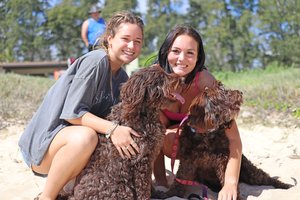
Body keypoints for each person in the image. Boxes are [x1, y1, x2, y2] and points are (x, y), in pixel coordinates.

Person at [18, 11, 144, 200]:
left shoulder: (122, 78)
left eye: (138, 41)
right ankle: (47, 197)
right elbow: (73, 114)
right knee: (87, 136)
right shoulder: (96, 61)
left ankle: (68, 190)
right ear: (110, 39)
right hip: (45, 147)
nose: (131, 46)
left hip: (71, 150)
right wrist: (113, 129)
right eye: (125, 38)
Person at [153, 24, 242, 200]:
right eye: (176, 51)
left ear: (198, 57)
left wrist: (230, 184)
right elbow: (152, 136)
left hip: (201, 143)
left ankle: (200, 174)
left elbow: (233, 138)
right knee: (161, 135)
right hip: (168, 142)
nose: (182, 59)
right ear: (166, 52)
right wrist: (161, 182)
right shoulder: (153, 82)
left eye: (190, 53)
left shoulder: (206, 83)